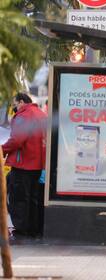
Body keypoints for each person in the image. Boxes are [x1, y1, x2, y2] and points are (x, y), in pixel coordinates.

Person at [2, 93, 47, 238]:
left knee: (19, 199)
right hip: (37, 165)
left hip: (23, 164)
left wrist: (2, 150)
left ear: (21, 102)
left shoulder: (24, 115)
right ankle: (33, 230)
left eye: (14, 105)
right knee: (33, 199)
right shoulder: (40, 114)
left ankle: (22, 230)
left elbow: (16, 140)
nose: (14, 109)